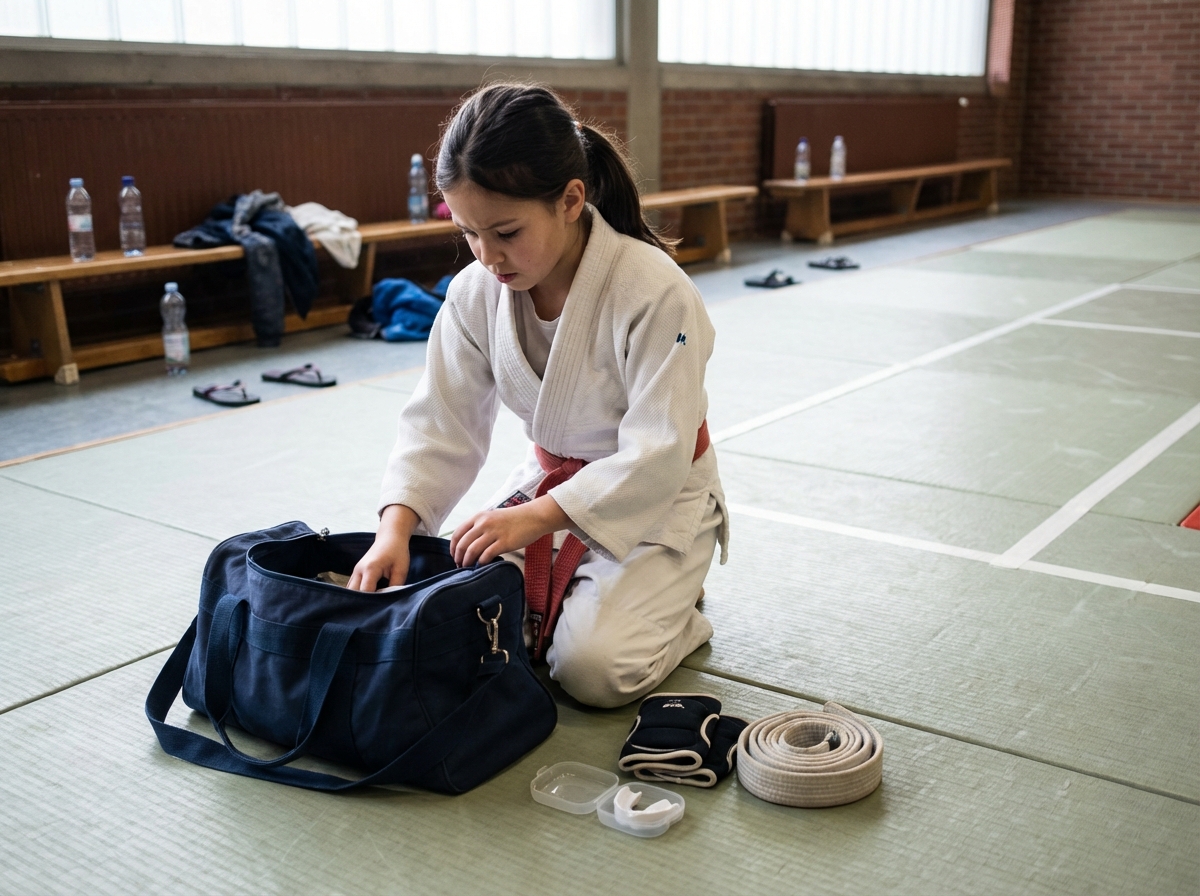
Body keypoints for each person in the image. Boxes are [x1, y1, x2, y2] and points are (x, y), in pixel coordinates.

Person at [348, 83, 728, 708]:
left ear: (571, 200)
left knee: (590, 671)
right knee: (462, 618)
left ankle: (680, 607)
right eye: (468, 233)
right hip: (549, 487)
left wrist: (536, 519)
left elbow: (659, 452)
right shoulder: (475, 294)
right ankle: (633, 595)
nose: (487, 256)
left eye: (506, 232)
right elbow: (439, 420)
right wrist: (397, 528)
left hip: (658, 495)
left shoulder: (658, 293)